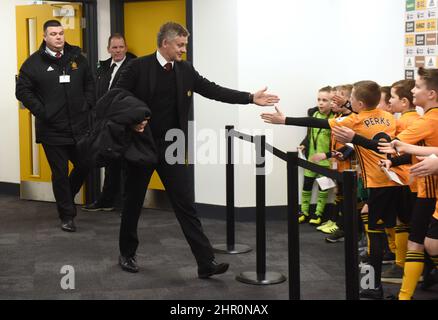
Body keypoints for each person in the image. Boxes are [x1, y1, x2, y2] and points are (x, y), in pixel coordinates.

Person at [113, 22, 279, 277]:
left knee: (185, 205)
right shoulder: (138, 67)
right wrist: (133, 120)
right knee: (133, 203)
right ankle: (127, 253)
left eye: (185, 45)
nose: (183, 50)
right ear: (165, 43)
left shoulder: (185, 69)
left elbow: (213, 90)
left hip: (174, 144)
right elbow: (117, 96)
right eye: (180, 45)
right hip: (141, 145)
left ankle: (205, 262)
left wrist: (248, 97)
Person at [261, 80, 406, 299]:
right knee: (389, 222)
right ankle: (395, 268)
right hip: (396, 180)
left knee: (374, 234)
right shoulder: (387, 116)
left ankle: (373, 285)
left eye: (352, 99)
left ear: (357, 102)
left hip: (378, 183)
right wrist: (349, 105)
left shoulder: (354, 120)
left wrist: (284, 120)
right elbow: (367, 119)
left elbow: (317, 123)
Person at [15, 20, 95, 232]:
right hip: (52, 129)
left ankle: (65, 198)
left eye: (61, 33)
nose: (58, 37)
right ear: (45, 37)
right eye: (53, 34)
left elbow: (89, 82)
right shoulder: (33, 64)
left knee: (86, 163)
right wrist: (43, 112)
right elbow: (22, 91)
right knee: (59, 173)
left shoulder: (78, 58)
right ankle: (67, 216)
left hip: (78, 126)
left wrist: (87, 103)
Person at [82, 33, 136, 212]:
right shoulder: (103, 68)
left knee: (127, 164)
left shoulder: (135, 66)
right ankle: (107, 201)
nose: (118, 50)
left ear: (126, 48)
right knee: (110, 161)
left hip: (125, 122)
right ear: (108, 49)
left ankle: (127, 204)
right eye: (114, 47)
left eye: (121, 47)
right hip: (105, 122)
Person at [297, 86, 334, 227]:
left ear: (332, 102)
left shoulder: (334, 119)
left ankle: (318, 213)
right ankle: (304, 212)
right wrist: (303, 145)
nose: (321, 103)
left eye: (325, 100)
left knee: (323, 188)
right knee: (306, 186)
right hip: (311, 159)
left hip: (326, 161)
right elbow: (309, 135)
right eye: (319, 99)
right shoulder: (313, 115)